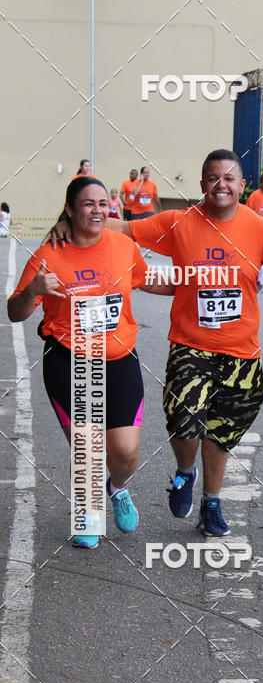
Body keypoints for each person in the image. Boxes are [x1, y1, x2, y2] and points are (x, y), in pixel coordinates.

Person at [49, 150, 263, 536]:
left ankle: (211, 502)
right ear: (202, 185)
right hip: (190, 344)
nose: (221, 185)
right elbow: (123, 228)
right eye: (213, 178)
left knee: (220, 433)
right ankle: (185, 472)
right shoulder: (180, 223)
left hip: (242, 351)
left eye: (230, 178)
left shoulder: (260, 228)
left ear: (242, 185)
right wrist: (67, 222)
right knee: (184, 422)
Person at [7, 177, 151, 549]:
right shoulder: (48, 254)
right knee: (87, 445)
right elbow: (15, 311)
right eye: (88, 204)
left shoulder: (122, 246)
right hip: (69, 359)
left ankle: (116, 488)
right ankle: (87, 513)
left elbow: (146, 279)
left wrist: (196, 281)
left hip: (119, 358)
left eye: (103, 204)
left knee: (125, 453)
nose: (98, 210)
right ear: (70, 209)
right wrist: (34, 290)